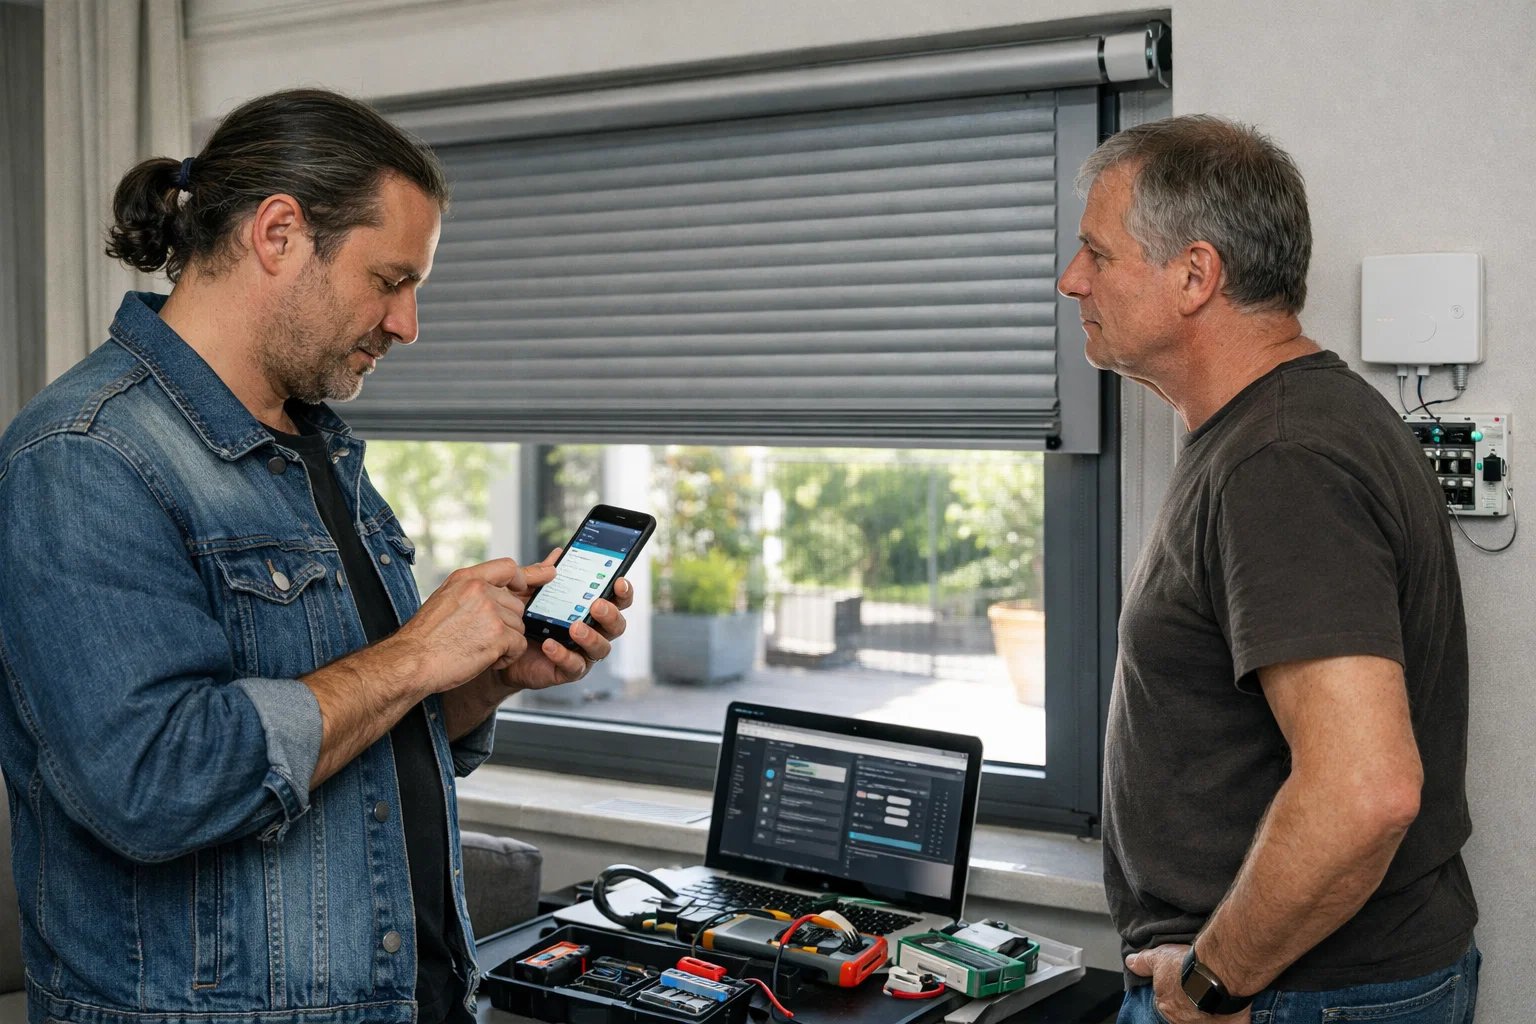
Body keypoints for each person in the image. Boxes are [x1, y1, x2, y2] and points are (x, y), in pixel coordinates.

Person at [0, 89, 630, 1024]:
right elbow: (152, 784)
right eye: (391, 280)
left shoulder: (315, 447)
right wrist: (417, 652)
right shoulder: (85, 455)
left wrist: (483, 679)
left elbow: (351, 737)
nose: (408, 324)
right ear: (280, 233)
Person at [1057, 115, 1479, 1024]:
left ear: (1195, 276)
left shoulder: (1281, 462)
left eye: (1097, 253)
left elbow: (1366, 791)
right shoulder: (1281, 427)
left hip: (1286, 995)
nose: (1071, 280)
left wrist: (1214, 981)